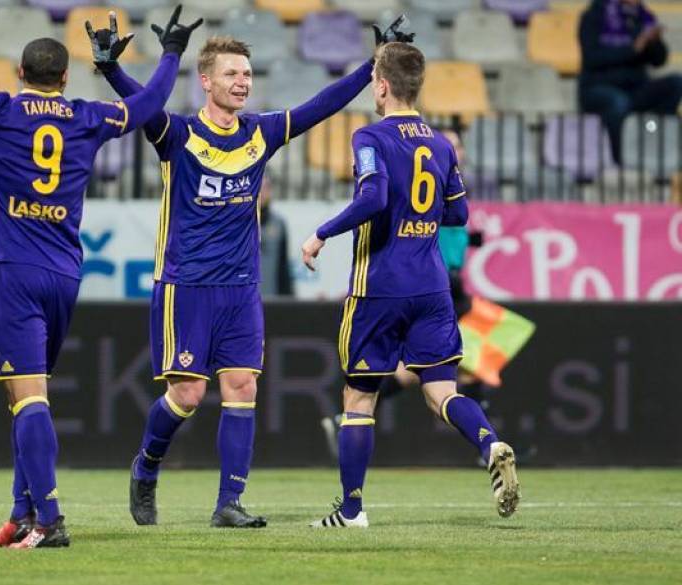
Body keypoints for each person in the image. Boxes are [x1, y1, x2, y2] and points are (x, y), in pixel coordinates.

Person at [88, 13, 412, 528]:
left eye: (247, 74)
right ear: (206, 81)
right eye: (231, 74)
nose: (242, 82)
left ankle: (228, 503)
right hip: (186, 284)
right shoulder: (177, 134)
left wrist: (370, 66)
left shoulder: (262, 132)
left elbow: (321, 106)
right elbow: (143, 106)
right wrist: (110, 70)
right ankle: (146, 465)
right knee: (187, 395)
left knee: (242, 387)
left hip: (241, 288)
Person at [0, 6, 201, 548]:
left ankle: (50, 520)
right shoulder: (89, 117)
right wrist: (172, 54)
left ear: (20, 72)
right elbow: (149, 105)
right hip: (63, 275)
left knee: (27, 397)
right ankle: (22, 512)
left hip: (11, 269)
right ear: (65, 77)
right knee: (29, 396)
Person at [300, 42, 520, 529]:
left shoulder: (370, 136)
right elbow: (458, 213)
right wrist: (419, 217)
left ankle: (351, 510)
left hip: (380, 286)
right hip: (432, 288)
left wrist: (321, 233)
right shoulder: (441, 144)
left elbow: (373, 197)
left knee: (359, 398)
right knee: (441, 391)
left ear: (381, 86)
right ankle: (489, 443)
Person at [579, 0, 682, 163]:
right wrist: (633, 49)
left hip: (635, 88)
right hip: (599, 87)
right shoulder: (594, 15)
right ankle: (619, 160)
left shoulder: (642, 18)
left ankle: (654, 143)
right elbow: (592, 58)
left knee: (676, 84)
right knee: (618, 102)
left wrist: (654, 42)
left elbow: (659, 61)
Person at [258, 174, 294, 298]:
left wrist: (288, 297)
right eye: (259, 187)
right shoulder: (242, 224)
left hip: (272, 299)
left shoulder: (278, 224)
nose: (262, 193)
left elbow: (283, 265)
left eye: (266, 188)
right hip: (246, 299)